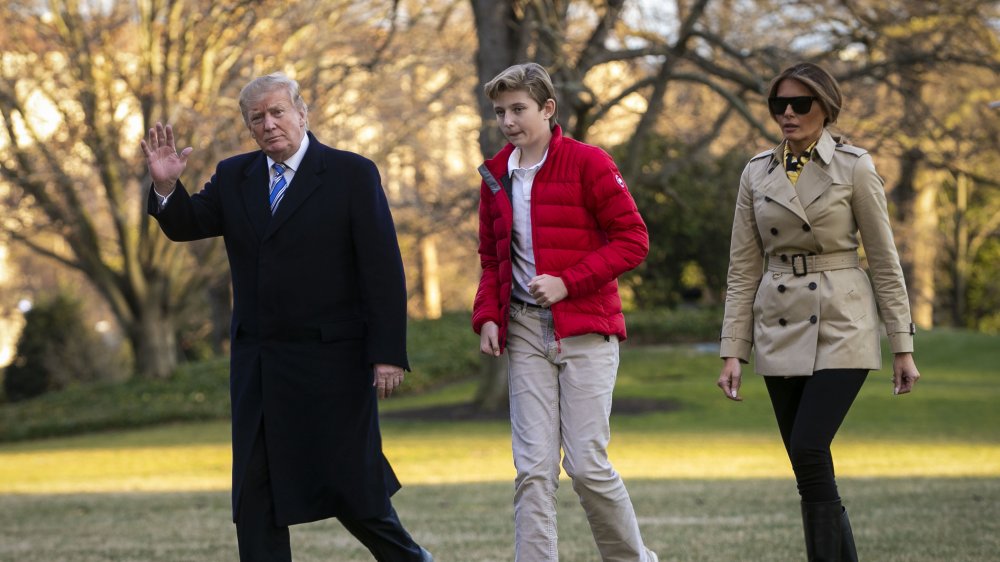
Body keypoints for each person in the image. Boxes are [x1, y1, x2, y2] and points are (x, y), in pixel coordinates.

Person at [140, 72, 431, 562]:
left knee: (351, 485)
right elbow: (189, 224)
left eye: (278, 112)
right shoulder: (235, 176)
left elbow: (382, 271)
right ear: (250, 128)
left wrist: (387, 355)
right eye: (258, 117)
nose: (270, 124)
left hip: (332, 360)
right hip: (259, 362)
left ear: (302, 113)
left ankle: (411, 559)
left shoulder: (351, 173)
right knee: (255, 491)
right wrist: (167, 188)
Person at [716, 62, 921, 561]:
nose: (788, 113)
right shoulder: (756, 171)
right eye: (779, 105)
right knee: (808, 465)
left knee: (809, 446)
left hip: (842, 321)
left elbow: (885, 260)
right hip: (778, 320)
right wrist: (732, 351)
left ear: (825, 108)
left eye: (800, 104)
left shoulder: (855, 166)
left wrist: (902, 344)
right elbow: (743, 268)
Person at [472, 62, 657, 562]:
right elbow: (492, 258)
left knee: (586, 466)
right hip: (525, 329)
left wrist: (568, 281)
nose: (508, 121)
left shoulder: (589, 162)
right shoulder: (494, 176)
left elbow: (633, 240)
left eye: (518, 109)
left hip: (586, 330)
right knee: (532, 469)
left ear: (548, 109)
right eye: (500, 112)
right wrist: (488, 315)